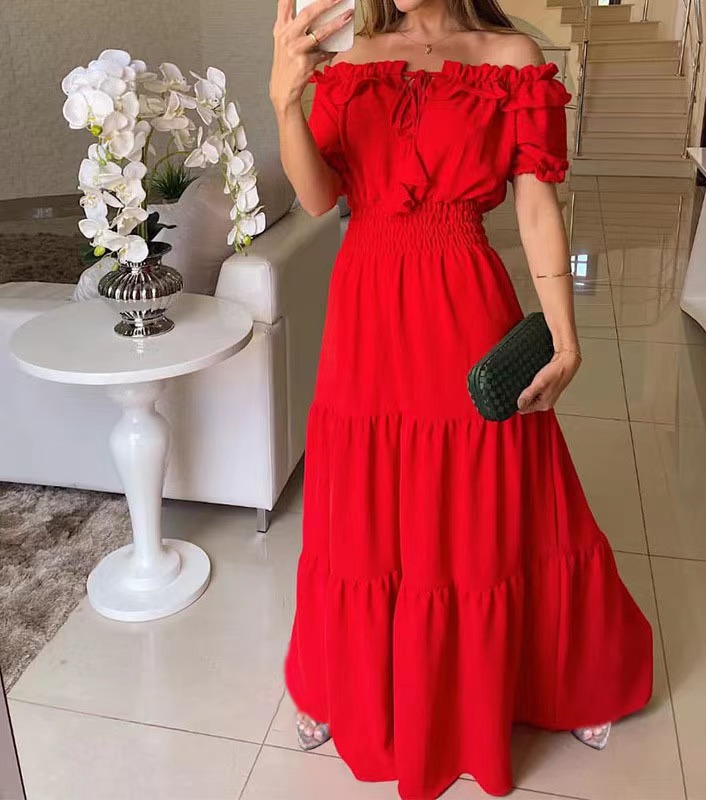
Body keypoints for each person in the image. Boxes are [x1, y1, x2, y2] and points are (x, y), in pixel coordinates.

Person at [269, 0, 654, 797]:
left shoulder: (511, 58)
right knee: (364, 500)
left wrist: (564, 335)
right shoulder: (351, 56)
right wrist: (285, 102)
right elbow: (317, 197)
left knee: (493, 496)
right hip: (366, 309)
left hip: (463, 301)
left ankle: (563, 677)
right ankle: (350, 683)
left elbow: (536, 204)